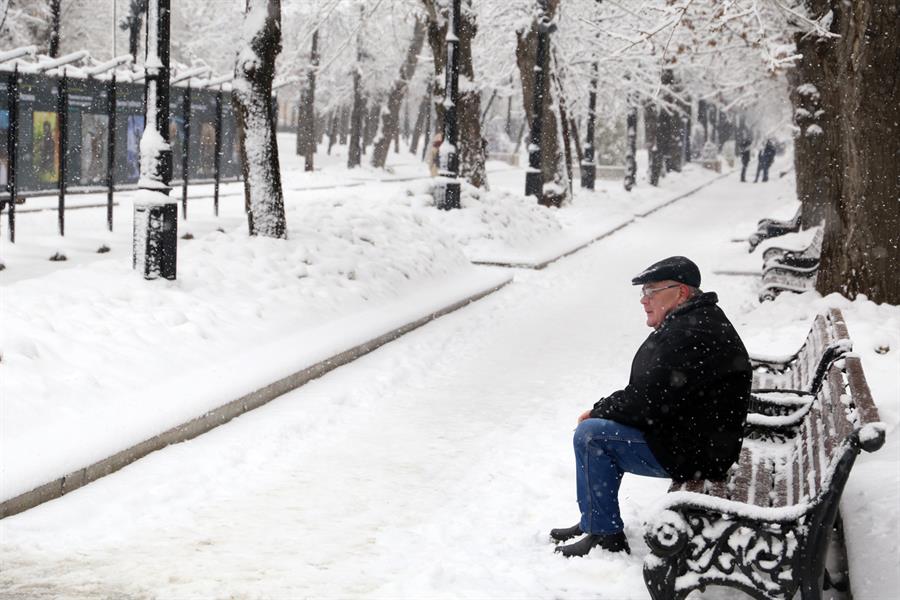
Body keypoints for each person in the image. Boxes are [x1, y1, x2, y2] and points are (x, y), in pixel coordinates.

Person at [551, 256, 751, 558]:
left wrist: (600, 410)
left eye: (651, 291)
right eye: (643, 292)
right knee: (600, 430)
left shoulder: (690, 332)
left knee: (592, 435)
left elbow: (647, 402)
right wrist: (609, 408)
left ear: (681, 292)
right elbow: (652, 394)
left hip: (697, 451)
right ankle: (594, 519)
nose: (644, 300)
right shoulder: (694, 320)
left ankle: (603, 533)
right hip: (698, 439)